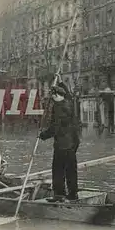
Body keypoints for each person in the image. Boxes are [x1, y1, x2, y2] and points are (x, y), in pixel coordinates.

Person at [38, 74, 80, 203]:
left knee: (58, 170)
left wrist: (42, 135)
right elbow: (67, 94)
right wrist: (61, 83)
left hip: (62, 145)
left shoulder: (59, 108)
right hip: (73, 143)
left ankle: (59, 195)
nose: (51, 98)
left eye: (52, 95)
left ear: (55, 95)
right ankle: (73, 194)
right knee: (71, 170)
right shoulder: (69, 103)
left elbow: (55, 128)